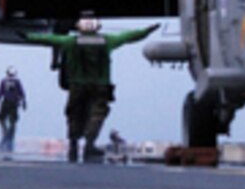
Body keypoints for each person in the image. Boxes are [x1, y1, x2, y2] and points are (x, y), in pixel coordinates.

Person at [23, 13, 159, 163]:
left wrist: (27, 36)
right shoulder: (107, 41)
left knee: (74, 114)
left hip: (77, 85)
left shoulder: (70, 41)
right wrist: (146, 31)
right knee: (97, 115)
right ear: (97, 26)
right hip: (100, 86)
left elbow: (48, 39)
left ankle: (73, 145)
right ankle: (89, 144)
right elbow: (128, 36)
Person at [0, 66, 27, 152]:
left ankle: (8, 137)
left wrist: (24, 102)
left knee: (11, 121)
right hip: (9, 103)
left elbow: (21, 93)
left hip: (12, 103)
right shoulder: (7, 82)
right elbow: (0, 92)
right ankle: (6, 135)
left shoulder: (14, 82)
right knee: (5, 120)